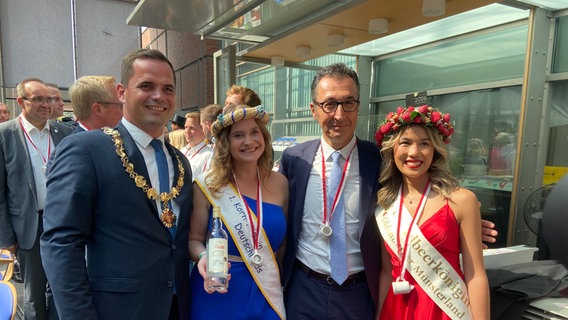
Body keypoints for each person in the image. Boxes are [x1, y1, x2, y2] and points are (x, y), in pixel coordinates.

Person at [278, 63, 498, 319]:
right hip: (304, 288)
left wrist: (461, 226)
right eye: (329, 104)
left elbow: (420, 196)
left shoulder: (381, 159)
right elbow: (279, 212)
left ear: (358, 106)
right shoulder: (295, 160)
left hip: (360, 292)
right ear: (313, 110)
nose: (339, 114)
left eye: (348, 103)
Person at [40, 48, 193, 319]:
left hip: (176, 307)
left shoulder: (180, 161)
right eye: (147, 86)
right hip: (116, 310)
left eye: (167, 89)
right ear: (122, 93)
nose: (159, 96)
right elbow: (61, 244)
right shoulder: (87, 149)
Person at [374, 106, 489, 319]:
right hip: (396, 309)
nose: (414, 153)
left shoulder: (461, 201)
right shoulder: (385, 204)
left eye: (424, 144)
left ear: (435, 150)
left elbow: (476, 275)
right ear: (393, 149)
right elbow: (386, 273)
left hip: (444, 309)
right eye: (405, 143)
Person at [188, 105, 288, 320]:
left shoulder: (280, 183)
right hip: (218, 290)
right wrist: (203, 256)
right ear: (226, 143)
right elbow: (194, 240)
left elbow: (283, 246)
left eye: (254, 132)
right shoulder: (208, 185)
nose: (249, 141)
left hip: (266, 292)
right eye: (238, 135)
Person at [0, 78, 73, 320]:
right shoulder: (5, 134)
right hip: (29, 226)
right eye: (39, 99)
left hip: (63, 223)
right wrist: (6, 237)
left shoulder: (64, 132)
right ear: (21, 102)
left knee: (60, 287)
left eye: (49, 99)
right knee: (34, 293)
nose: (47, 104)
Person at [180, 111, 213, 180]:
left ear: (203, 130)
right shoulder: (181, 151)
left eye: (191, 128)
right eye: (186, 127)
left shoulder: (209, 155)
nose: (187, 131)